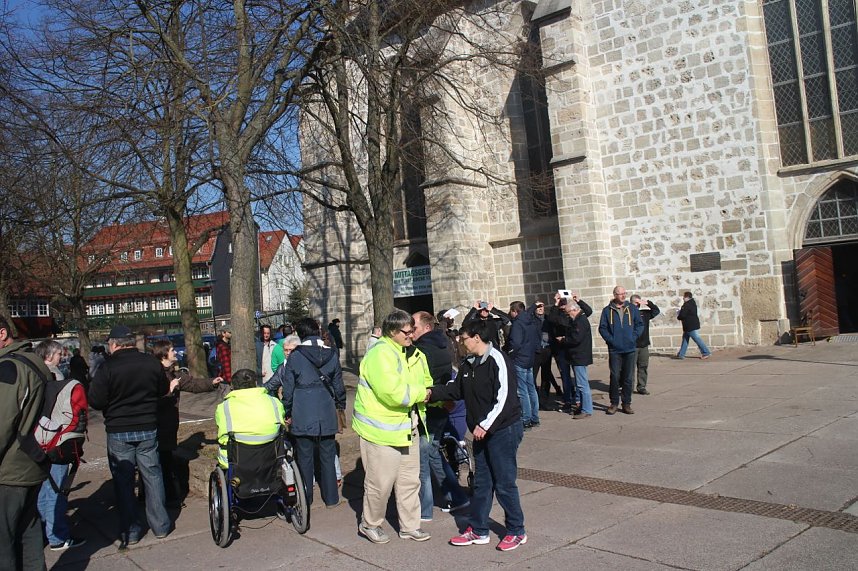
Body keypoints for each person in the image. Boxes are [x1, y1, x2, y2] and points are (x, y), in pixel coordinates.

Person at [427, 319, 527, 552]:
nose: (461, 342)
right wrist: (431, 393)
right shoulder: (467, 363)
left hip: (503, 429)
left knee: (504, 483)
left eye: (464, 338)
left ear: (476, 338)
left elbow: (504, 399)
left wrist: (485, 425)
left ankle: (516, 530)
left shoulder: (497, 360)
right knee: (482, 483)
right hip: (481, 432)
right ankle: (479, 529)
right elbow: (456, 389)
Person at [88, 325, 173, 548]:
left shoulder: (107, 367)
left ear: (114, 344)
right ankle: (161, 525)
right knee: (152, 476)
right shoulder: (150, 363)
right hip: (147, 425)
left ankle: (132, 530)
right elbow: (162, 389)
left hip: (119, 428)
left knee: (124, 481)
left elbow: (95, 401)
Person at [353, 310, 432, 544]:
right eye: (406, 332)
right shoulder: (380, 354)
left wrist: (429, 392)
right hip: (382, 433)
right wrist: (423, 394)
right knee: (380, 484)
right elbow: (393, 393)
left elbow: (425, 380)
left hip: (408, 428)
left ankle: (410, 526)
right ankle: (370, 523)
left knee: (410, 481)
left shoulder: (411, 352)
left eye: (412, 330)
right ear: (392, 332)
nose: (411, 335)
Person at [270, 318, 345, 507]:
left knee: (304, 456)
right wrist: (340, 405)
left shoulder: (295, 356)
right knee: (328, 453)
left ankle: (306, 498)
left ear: (300, 333)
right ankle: (331, 498)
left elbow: (288, 389)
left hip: (302, 408)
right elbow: (338, 385)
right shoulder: (332, 354)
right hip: (326, 407)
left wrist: (287, 410)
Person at [0, 316, 50, 570]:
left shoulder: (8, 367)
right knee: (29, 530)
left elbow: (2, 423)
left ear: (2, 334)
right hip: (32, 461)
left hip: (10, 469)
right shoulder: (33, 360)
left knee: (5, 540)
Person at [412, 311, 469, 523]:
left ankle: (424, 510)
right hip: (440, 407)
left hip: (430, 409)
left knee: (422, 458)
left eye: (414, 326)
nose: (410, 330)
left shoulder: (422, 350)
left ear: (426, 327)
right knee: (433, 453)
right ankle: (457, 498)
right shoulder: (442, 343)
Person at [152, 340, 221, 507]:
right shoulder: (155, 375)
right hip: (157, 425)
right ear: (163, 355)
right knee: (159, 462)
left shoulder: (174, 374)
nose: (176, 352)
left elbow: (192, 384)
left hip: (169, 425)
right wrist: (170, 390)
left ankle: (167, 496)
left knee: (165, 460)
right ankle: (166, 498)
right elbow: (152, 400)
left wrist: (211, 382)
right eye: (172, 350)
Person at [34, 340, 87, 551]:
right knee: (56, 490)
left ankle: (44, 531)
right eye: (57, 354)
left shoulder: (32, 376)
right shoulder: (55, 377)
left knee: (43, 490)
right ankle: (57, 536)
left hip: (37, 441)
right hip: (57, 441)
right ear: (48, 356)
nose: (61, 358)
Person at [214, 369, 285, 469]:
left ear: (233, 386)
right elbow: (282, 426)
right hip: (271, 457)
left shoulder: (224, 408)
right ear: (256, 383)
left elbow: (223, 438)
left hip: (239, 461)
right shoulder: (274, 402)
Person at [598, 286, 644, 415]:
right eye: (620, 294)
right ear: (614, 295)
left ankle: (626, 403)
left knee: (628, 377)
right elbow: (602, 328)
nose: (623, 296)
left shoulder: (632, 309)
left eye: (624, 293)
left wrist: (633, 337)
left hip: (629, 348)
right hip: (615, 349)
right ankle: (613, 403)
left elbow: (640, 324)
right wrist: (611, 340)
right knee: (615, 376)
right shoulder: (607, 311)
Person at [506, 301, 541, 430]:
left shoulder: (517, 323)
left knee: (522, 391)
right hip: (529, 358)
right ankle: (535, 417)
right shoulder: (529, 319)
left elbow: (515, 343)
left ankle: (526, 419)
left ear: (515, 311)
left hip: (520, 359)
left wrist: (510, 355)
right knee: (531, 388)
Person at [558, 302, 594, 419]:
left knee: (582, 384)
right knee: (581, 384)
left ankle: (586, 409)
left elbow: (576, 338)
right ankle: (583, 407)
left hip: (579, 356)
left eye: (569, 313)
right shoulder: (580, 318)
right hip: (578, 355)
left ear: (574, 310)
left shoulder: (580, 321)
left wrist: (564, 340)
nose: (569, 315)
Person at [546, 292, 575, 413]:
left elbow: (587, 311)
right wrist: (556, 304)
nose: (563, 306)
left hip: (572, 348)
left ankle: (576, 398)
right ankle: (568, 399)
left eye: (564, 303)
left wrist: (575, 300)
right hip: (560, 350)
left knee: (577, 376)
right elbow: (551, 319)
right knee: (565, 376)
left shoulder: (572, 313)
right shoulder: (557, 312)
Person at [533, 300, 562, 410]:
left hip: (547, 350)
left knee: (546, 377)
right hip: (536, 351)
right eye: (538, 307)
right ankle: (535, 400)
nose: (540, 308)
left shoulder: (548, 319)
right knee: (532, 377)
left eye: (542, 306)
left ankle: (544, 400)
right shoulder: (532, 319)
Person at [630, 294, 661, 394]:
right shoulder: (628, 313)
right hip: (632, 345)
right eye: (635, 303)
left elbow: (656, 311)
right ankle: (629, 388)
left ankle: (641, 386)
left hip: (643, 344)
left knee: (643, 366)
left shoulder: (644, 313)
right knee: (630, 368)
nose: (637, 305)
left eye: (638, 303)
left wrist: (648, 303)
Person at [676, 292, 711, 360]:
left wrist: (679, 315)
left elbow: (683, 315)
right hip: (690, 325)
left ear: (687, 297)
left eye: (684, 297)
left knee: (697, 339)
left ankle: (706, 352)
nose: (683, 298)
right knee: (685, 339)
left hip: (689, 325)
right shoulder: (693, 303)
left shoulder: (686, 305)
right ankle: (681, 354)